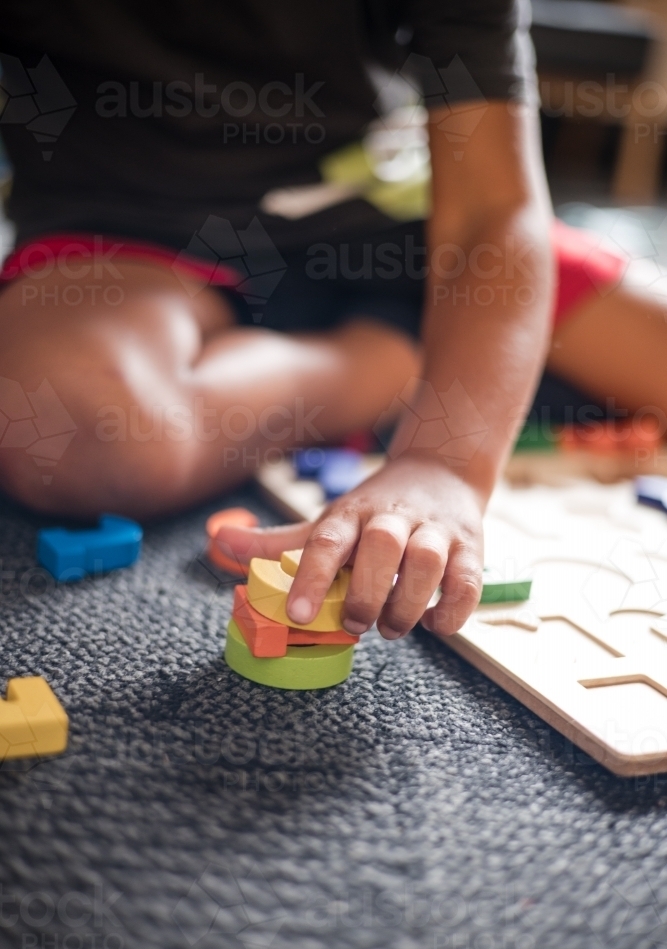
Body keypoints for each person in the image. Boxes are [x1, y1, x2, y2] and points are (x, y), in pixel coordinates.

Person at [0, 2, 662, 644]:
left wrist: (443, 461)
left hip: (411, 218)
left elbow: (491, 210)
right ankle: (388, 362)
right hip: (128, 238)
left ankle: (412, 351)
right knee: (68, 432)